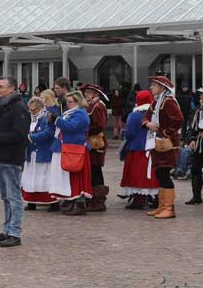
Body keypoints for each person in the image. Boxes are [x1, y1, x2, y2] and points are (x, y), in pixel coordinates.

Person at [0, 77, 29, 248]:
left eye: (1, 87)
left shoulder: (19, 108)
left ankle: (15, 233)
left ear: (12, 89)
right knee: (6, 197)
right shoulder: (3, 106)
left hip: (11, 158)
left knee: (14, 197)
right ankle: (7, 230)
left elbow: (20, 135)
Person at [142, 75, 185, 220]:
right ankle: (161, 205)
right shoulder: (156, 101)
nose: (150, 87)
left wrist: (165, 132)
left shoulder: (168, 101)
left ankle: (169, 208)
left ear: (161, 86)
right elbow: (146, 117)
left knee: (164, 173)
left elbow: (178, 120)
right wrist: (148, 124)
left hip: (166, 144)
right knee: (160, 173)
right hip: (157, 142)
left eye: (153, 85)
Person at [20, 95, 60, 211]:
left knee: (45, 177)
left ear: (41, 107)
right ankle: (31, 202)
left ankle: (53, 202)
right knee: (30, 177)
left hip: (44, 152)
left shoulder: (47, 117)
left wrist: (29, 137)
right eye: (30, 110)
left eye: (35, 110)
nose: (32, 112)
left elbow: (48, 133)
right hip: (31, 153)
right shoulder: (29, 118)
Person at [56, 92, 93, 216]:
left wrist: (57, 119)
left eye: (70, 102)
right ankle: (73, 202)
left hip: (77, 149)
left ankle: (80, 204)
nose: (68, 104)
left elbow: (71, 127)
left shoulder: (81, 114)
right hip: (71, 148)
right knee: (72, 177)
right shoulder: (72, 113)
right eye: (67, 102)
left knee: (78, 177)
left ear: (78, 102)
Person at [118, 90, 156, 210]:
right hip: (153, 148)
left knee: (137, 175)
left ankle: (139, 200)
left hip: (136, 149)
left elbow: (129, 134)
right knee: (152, 175)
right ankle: (156, 198)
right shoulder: (154, 114)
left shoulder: (134, 115)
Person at [80, 84, 111, 212]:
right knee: (93, 170)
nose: (86, 95)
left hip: (96, 142)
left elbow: (99, 125)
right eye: (85, 92)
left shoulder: (98, 106)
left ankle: (99, 201)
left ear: (95, 93)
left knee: (96, 170)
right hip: (91, 141)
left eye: (88, 92)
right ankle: (93, 198)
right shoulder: (91, 105)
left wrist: (84, 129)